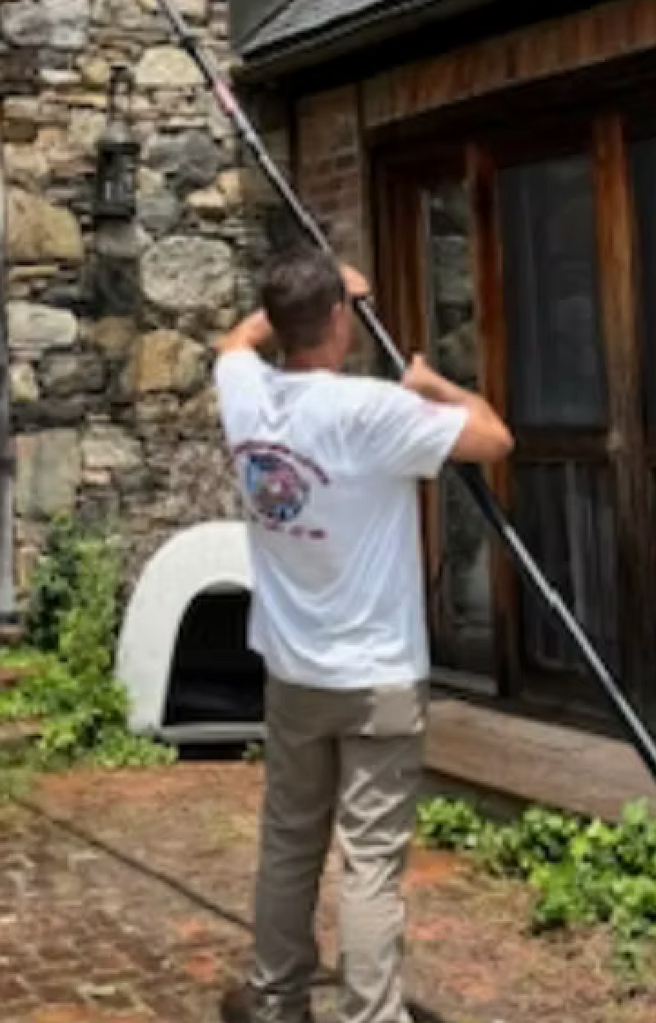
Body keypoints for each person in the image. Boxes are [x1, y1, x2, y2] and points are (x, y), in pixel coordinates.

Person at [214, 248, 514, 1023]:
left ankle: (276, 998)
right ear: (340, 320)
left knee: (290, 840)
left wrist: (305, 298)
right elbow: (494, 438)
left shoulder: (243, 392)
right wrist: (434, 384)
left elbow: (237, 341)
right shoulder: (374, 411)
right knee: (371, 861)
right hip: (378, 674)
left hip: (294, 673)